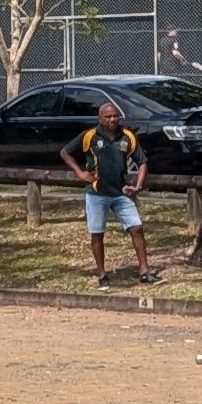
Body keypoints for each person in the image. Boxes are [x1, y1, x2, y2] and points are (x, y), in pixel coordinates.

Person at [61, 97, 157, 287]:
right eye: (108, 117)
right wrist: (80, 173)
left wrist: (137, 186)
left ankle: (144, 272)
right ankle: (102, 274)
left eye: (115, 116)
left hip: (122, 192)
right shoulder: (90, 136)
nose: (112, 120)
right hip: (97, 193)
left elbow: (142, 161)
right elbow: (65, 152)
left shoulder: (127, 136)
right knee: (97, 233)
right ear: (100, 118)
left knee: (136, 228)